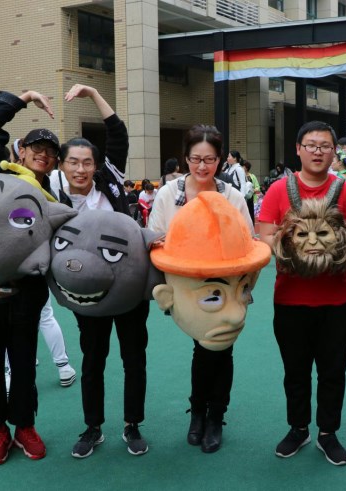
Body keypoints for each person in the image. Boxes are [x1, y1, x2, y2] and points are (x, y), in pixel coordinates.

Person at [51, 84, 149, 459]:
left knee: (134, 358)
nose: (81, 169)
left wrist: (93, 93)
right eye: (73, 162)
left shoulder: (109, 182)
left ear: (96, 165)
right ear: (62, 165)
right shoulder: (54, 201)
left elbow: (117, 133)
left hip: (129, 290)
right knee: (93, 361)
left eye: (87, 162)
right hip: (88, 295)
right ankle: (93, 427)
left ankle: (132, 424)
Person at [259, 121, 346, 466]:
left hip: (337, 300)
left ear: (335, 152)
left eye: (325, 146)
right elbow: (264, 234)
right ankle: (298, 428)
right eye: (311, 145)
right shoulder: (278, 190)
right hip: (290, 299)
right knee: (296, 371)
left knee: (333, 371)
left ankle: (328, 432)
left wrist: (334, 251)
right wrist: (294, 250)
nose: (318, 152)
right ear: (298, 149)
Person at [0, 88, 63, 464]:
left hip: (26, 292)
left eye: (51, 152)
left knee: (24, 363)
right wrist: (24, 97)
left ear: (54, 163)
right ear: (21, 151)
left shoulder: (54, 201)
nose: (43, 154)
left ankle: (24, 425)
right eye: (36, 147)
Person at [148, 124, 252, 454]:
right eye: (196, 159)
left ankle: (212, 416)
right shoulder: (169, 194)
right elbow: (154, 237)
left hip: (225, 290)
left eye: (209, 159)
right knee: (204, 350)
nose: (202, 166)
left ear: (220, 160)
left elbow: (248, 242)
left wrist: (244, 290)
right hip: (188, 291)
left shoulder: (232, 197)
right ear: (186, 158)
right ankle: (199, 413)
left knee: (219, 350)